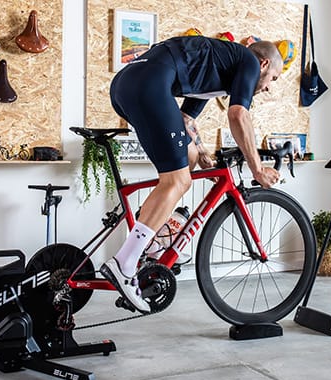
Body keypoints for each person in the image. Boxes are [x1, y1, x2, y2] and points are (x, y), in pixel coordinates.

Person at [100, 35, 283, 313]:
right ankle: (125, 262)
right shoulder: (248, 60)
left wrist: (204, 155)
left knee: (189, 158)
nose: (268, 87)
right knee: (177, 180)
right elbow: (238, 115)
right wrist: (257, 168)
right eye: (273, 78)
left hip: (126, 85)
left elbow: (186, 120)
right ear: (264, 64)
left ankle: (153, 241)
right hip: (149, 85)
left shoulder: (218, 67)